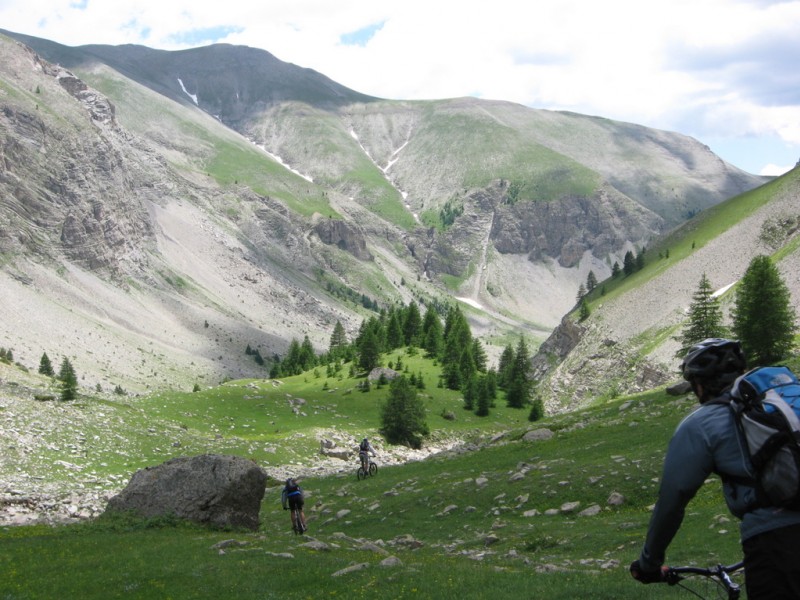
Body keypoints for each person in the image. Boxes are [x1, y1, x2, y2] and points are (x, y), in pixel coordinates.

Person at [630, 338, 800, 598]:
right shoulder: (780, 404)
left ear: (697, 384)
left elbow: (672, 501)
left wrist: (649, 564)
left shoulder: (701, 424)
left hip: (778, 544)